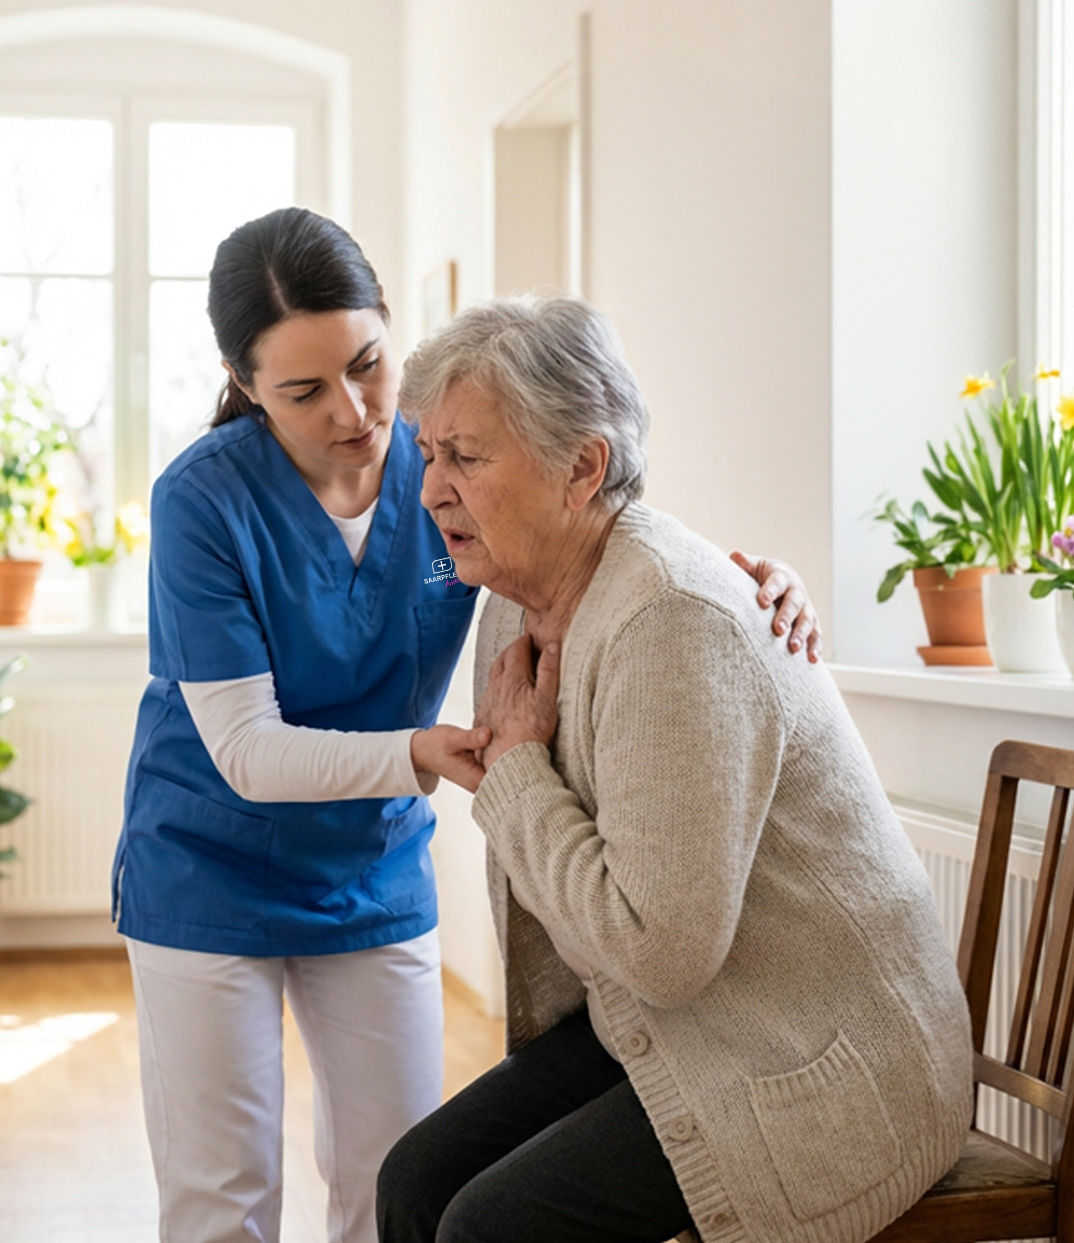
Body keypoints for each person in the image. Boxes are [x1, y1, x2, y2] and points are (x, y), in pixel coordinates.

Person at [111, 207, 821, 1243]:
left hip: (371, 865)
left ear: (389, 326)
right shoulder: (202, 503)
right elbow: (247, 750)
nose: (353, 410)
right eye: (304, 391)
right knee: (222, 1200)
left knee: (395, 1179)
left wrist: (752, 579)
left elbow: (599, 525)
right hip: (207, 867)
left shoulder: (442, 460)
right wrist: (422, 752)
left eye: (368, 364)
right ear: (243, 381)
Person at [376, 296, 973, 1243]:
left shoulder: (673, 622)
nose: (430, 491)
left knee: (488, 1229)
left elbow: (663, 953)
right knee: (413, 1181)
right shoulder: (512, 602)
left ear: (583, 468)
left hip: (821, 1057)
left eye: (465, 457)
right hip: (667, 1022)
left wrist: (518, 769)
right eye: (428, 453)